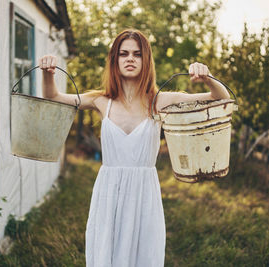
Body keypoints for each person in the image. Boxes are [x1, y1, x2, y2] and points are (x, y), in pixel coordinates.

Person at [39, 29, 229, 267]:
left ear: (145, 60)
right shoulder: (101, 101)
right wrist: (48, 73)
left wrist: (207, 76)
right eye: (124, 53)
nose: (130, 58)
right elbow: (52, 96)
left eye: (137, 54)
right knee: (106, 254)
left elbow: (220, 99)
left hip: (144, 193)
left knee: (143, 256)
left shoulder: (160, 100)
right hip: (109, 192)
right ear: (115, 60)